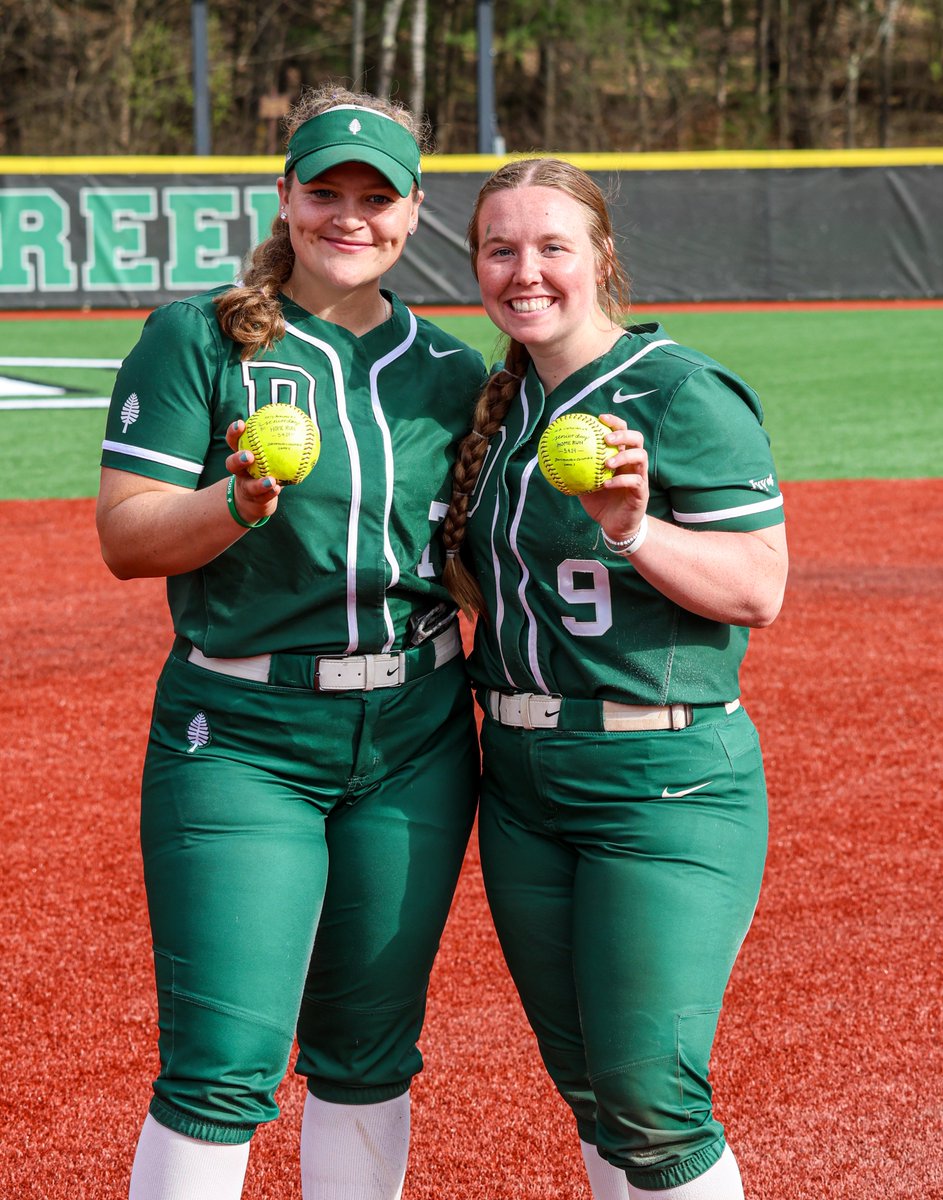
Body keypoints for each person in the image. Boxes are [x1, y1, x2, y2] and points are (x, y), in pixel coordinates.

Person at [97, 84, 487, 1200]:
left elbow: (470, 559)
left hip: (415, 734)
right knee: (221, 1070)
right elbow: (128, 539)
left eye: (378, 195)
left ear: (415, 211)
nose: (349, 216)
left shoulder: (455, 374)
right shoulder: (198, 338)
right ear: (284, 198)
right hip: (243, 733)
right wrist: (237, 504)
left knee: (368, 1059)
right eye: (326, 191)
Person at [441, 158, 788, 1200]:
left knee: (653, 1096)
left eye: (552, 246)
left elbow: (759, 589)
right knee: (589, 1086)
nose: (525, 270)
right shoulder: (495, 413)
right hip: (522, 783)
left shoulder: (682, 393)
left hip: (664, 779)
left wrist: (635, 529)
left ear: (602, 260)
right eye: (500, 249)